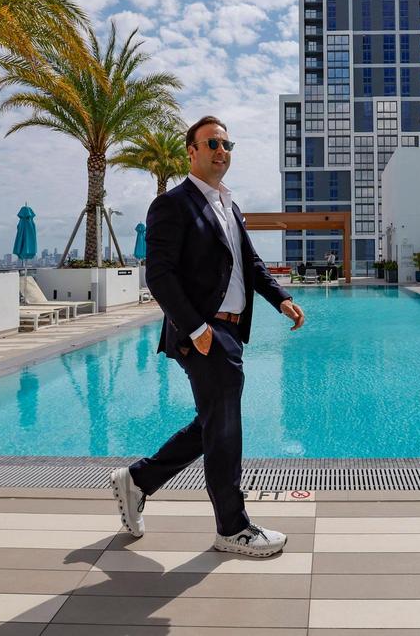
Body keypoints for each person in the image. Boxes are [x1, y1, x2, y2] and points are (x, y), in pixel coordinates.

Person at [111, 116, 306, 558]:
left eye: (227, 143)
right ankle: (232, 528)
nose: (222, 150)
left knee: (214, 422)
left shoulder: (228, 205)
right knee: (225, 429)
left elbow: (251, 265)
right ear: (192, 151)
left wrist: (281, 299)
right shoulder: (173, 204)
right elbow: (159, 275)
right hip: (203, 330)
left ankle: (140, 479)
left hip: (230, 329)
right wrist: (196, 328)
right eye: (212, 143)